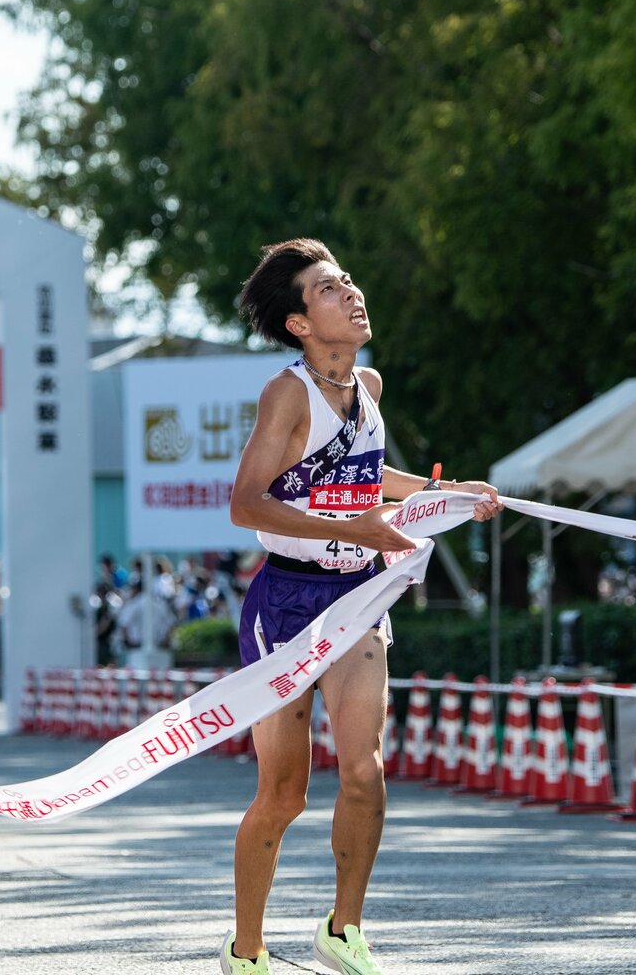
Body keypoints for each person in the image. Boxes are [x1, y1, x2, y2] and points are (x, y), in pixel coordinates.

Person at [223, 238, 501, 975]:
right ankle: (246, 949)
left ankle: (343, 930)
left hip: (358, 598)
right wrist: (358, 529)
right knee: (284, 795)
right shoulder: (287, 395)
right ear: (299, 324)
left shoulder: (368, 386)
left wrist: (449, 493)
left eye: (347, 279)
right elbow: (245, 504)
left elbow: (369, 477)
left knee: (364, 772)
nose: (350, 293)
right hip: (286, 605)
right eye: (328, 288)